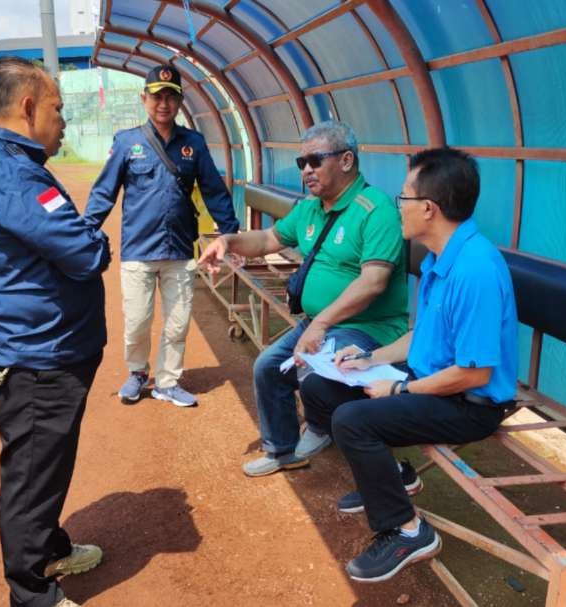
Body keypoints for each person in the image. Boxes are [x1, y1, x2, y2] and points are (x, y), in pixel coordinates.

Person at [298, 148, 519, 583]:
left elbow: (474, 374)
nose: (397, 206)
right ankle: (393, 475)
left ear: (429, 209)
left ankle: (407, 530)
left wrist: (397, 391)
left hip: (469, 403)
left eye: (403, 198)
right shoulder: (441, 257)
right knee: (320, 390)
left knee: (353, 421)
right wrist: (368, 359)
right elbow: (423, 337)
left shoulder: (475, 269)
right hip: (431, 380)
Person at [0, 56, 110, 607]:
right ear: (26, 107)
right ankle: (32, 593)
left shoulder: (3, 164)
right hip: (35, 359)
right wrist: (92, 234)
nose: (63, 121)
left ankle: (50, 548)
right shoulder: (15, 176)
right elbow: (87, 253)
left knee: (45, 465)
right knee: (31, 477)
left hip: (37, 349)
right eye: (57, 108)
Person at [198, 120, 410, 477]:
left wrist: (323, 323)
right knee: (268, 367)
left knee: (315, 370)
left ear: (345, 161)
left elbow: (374, 283)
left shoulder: (376, 211)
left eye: (314, 161)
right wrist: (229, 242)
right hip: (321, 324)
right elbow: (267, 241)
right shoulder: (311, 207)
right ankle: (283, 451)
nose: (306, 170)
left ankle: (334, 434)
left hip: (367, 329)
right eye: (302, 163)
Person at [84, 64, 240, 407]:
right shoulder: (127, 142)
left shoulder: (193, 144)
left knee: (177, 323)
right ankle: (137, 373)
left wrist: (231, 235)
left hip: (180, 249)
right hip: (138, 250)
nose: (163, 104)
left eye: (171, 96)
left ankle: (168, 382)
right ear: (144, 99)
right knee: (137, 321)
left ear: (180, 101)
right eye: (157, 96)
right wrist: (84, 232)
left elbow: (214, 191)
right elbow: (103, 192)